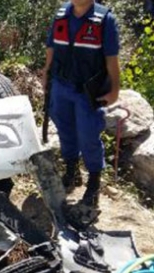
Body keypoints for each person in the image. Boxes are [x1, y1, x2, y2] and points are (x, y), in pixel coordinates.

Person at [41, 0, 121, 208]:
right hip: (60, 85)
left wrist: (114, 90)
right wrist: (46, 74)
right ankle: (71, 170)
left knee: (88, 135)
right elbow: (52, 47)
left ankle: (94, 183)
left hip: (88, 91)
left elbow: (111, 58)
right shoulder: (61, 15)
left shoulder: (105, 20)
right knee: (65, 130)